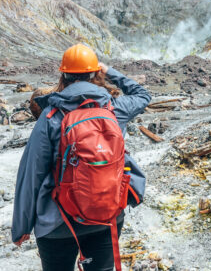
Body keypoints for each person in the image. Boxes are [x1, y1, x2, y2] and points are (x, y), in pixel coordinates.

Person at [12, 43, 150, 271]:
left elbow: (31, 174)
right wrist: (110, 72)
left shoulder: (51, 116)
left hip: (58, 223)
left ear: (63, 74)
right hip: (107, 216)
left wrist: (22, 227)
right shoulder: (115, 109)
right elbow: (143, 95)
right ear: (95, 73)